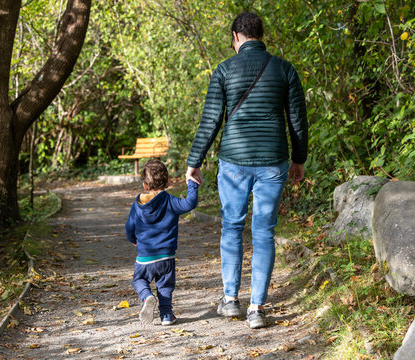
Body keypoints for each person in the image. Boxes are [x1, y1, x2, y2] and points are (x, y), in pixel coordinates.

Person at [186, 12, 308, 329]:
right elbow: (297, 120)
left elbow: (211, 120)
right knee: (264, 231)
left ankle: (230, 301)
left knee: (231, 226)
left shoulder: (224, 70)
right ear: (261, 35)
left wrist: (194, 161)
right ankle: (256, 308)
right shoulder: (284, 69)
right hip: (273, 161)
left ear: (236, 37)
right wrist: (299, 158)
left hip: (233, 162)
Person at [125, 159, 199, 325]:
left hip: (145, 256)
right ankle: (166, 315)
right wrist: (192, 183)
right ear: (167, 182)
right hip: (166, 257)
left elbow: (129, 227)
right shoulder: (170, 201)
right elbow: (190, 203)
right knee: (164, 286)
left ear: (145, 185)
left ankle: (146, 297)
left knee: (138, 280)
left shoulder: (137, 205)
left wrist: (133, 240)